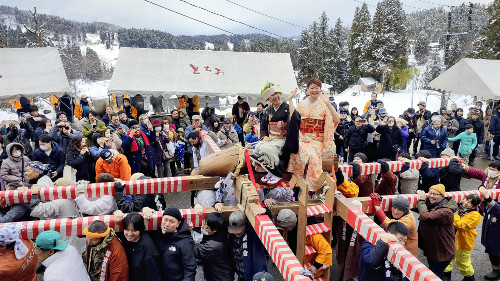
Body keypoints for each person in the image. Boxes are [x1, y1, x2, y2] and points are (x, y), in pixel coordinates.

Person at [288, 78, 340, 191]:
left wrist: (328, 103)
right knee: (294, 149)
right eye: (312, 88)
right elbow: (293, 120)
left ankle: (312, 184)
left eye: (317, 88)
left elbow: (336, 119)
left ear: (320, 89)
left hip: (318, 139)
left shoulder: (324, 104)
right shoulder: (303, 104)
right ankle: (298, 179)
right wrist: (290, 101)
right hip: (303, 137)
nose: (314, 90)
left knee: (311, 153)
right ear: (307, 90)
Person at [251, 82, 291, 185]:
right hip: (272, 137)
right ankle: (270, 171)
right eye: (272, 95)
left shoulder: (287, 108)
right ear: (268, 99)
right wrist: (264, 136)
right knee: (259, 146)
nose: (275, 96)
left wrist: (284, 125)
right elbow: (263, 126)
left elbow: (294, 123)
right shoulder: (268, 110)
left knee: (270, 149)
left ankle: (277, 173)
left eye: (276, 93)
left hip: (284, 138)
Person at [417, 184, 458, 278]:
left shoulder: (445, 212)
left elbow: (425, 216)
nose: (431, 196)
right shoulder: (434, 205)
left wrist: (421, 200)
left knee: (431, 276)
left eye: (435, 194)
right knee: (435, 274)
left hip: (443, 253)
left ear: (442, 196)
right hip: (434, 251)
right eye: (430, 193)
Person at [276, 209, 332, 278]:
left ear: (292, 223)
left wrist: (316, 266)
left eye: (286, 227)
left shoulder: (311, 232)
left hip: (307, 268)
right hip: (296, 262)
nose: (285, 229)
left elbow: (326, 249)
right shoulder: (291, 226)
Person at [442, 194, 481, 281]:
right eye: (465, 199)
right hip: (452, 239)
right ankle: (445, 276)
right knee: (448, 258)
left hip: (464, 242)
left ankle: (469, 277)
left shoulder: (475, 215)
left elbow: (460, 225)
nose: (466, 203)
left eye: (469, 202)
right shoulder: (462, 209)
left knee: (463, 262)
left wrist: (453, 214)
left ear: (474, 205)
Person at [114, 212, 163, 281]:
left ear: (140, 229)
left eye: (134, 230)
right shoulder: (129, 239)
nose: (129, 234)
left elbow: (154, 277)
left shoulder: (149, 251)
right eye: (127, 230)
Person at [152, 207, 197, 281]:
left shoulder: (185, 242)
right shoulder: (158, 234)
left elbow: (190, 267)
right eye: (165, 220)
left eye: (171, 221)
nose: (167, 224)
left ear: (178, 224)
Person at [227, 210, 268, 281]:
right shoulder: (231, 235)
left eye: (239, 230)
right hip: (240, 273)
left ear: (245, 224)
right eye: (234, 230)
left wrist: (266, 211)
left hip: (253, 275)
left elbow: (267, 225)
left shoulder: (253, 234)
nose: (236, 233)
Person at [194, 212, 234, 281]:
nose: (202, 227)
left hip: (220, 277)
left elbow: (195, 251)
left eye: (206, 227)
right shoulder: (222, 229)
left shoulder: (213, 246)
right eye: (204, 223)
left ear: (214, 230)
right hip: (223, 271)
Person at [479, 186, 500, 280]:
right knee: (492, 252)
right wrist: (482, 188)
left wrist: (488, 198)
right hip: (491, 233)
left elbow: (498, 210)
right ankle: (496, 270)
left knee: (496, 252)